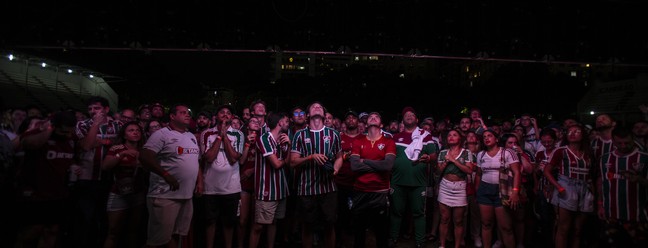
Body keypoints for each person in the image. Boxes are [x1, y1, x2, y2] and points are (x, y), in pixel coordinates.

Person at [139, 104, 200, 248]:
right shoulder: (161, 134)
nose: (187, 115)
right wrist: (166, 174)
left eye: (188, 112)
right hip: (165, 195)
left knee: (176, 235)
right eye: (183, 112)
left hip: (186, 195)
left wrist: (200, 182)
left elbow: (195, 161)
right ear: (172, 116)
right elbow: (145, 156)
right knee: (158, 240)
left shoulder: (190, 136)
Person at [14, 111, 77, 248]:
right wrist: (48, 129)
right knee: (31, 231)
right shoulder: (37, 133)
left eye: (70, 132)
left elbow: (69, 156)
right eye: (64, 132)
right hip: (35, 193)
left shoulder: (70, 139)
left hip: (58, 193)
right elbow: (30, 144)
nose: (68, 135)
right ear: (55, 126)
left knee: (52, 230)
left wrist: (74, 166)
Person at [290, 101, 342, 248]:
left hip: (328, 188)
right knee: (307, 227)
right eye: (313, 106)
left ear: (325, 115)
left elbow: (339, 156)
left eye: (320, 106)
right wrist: (310, 157)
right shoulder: (300, 135)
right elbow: (292, 162)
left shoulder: (333, 134)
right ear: (307, 116)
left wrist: (336, 169)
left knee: (329, 226)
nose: (317, 107)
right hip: (306, 189)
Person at [73, 96, 123, 248]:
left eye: (97, 108)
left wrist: (100, 141)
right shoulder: (83, 124)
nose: (93, 112)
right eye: (90, 109)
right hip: (87, 178)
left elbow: (121, 145)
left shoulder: (118, 125)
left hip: (112, 178)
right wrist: (96, 127)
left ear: (106, 109)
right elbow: (86, 145)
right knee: (86, 219)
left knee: (106, 219)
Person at [389, 107, 438, 248]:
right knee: (396, 211)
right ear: (402, 121)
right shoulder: (396, 137)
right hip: (397, 181)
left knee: (418, 213)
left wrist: (428, 157)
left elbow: (434, 156)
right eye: (406, 115)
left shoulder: (426, 136)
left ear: (417, 120)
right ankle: (393, 238)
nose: (409, 116)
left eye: (412, 115)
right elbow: (390, 157)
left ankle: (420, 241)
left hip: (418, 182)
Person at [197, 104, 244, 248]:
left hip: (231, 187)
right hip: (210, 187)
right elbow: (209, 158)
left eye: (228, 113)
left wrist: (225, 137)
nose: (225, 114)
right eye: (222, 112)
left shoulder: (238, 134)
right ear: (216, 116)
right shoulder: (206, 134)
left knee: (229, 223)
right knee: (210, 222)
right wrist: (219, 136)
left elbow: (234, 158)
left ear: (232, 117)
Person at [348, 111, 396, 248]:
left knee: (381, 232)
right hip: (360, 191)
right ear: (366, 123)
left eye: (376, 117)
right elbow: (355, 166)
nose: (373, 118)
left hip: (379, 192)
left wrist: (365, 161)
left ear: (381, 124)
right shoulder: (358, 141)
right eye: (370, 117)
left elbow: (387, 165)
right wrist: (377, 165)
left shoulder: (388, 141)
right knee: (359, 232)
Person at [543, 124, 594, 248]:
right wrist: (558, 187)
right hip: (567, 187)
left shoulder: (588, 152)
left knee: (577, 229)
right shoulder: (561, 151)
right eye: (569, 131)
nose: (572, 133)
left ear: (583, 134)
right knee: (563, 228)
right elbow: (547, 171)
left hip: (584, 188)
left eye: (576, 131)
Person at [596, 126, 648, 247]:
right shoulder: (604, 158)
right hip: (611, 214)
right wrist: (600, 204)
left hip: (638, 215)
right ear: (613, 141)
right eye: (619, 143)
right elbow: (600, 182)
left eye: (627, 143)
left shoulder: (644, 158)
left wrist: (640, 179)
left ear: (633, 139)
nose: (623, 146)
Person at [101, 121, 147, 248]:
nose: (135, 132)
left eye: (137, 130)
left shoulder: (144, 150)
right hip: (119, 193)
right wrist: (121, 155)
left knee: (133, 230)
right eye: (131, 130)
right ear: (124, 135)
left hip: (138, 193)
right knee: (113, 231)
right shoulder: (117, 148)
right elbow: (105, 166)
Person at [249, 112, 292, 248]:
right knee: (258, 226)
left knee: (273, 222)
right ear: (280, 123)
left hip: (280, 189)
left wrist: (289, 146)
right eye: (286, 121)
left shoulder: (283, 139)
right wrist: (285, 159)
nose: (288, 123)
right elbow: (276, 164)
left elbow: (289, 163)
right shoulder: (264, 139)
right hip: (266, 190)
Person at [475, 129, 521, 248]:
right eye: (484, 136)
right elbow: (479, 174)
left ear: (496, 139)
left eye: (490, 135)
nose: (486, 138)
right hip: (485, 190)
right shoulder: (481, 154)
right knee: (486, 224)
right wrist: (477, 191)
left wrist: (515, 192)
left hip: (502, 190)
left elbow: (517, 172)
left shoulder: (507, 152)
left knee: (506, 227)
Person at [436, 129, 475, 248]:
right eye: (449, 135)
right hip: (445, 186)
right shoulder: (443, 153)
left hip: (460, 188)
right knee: (444, 219)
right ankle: (442, 245)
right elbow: (438, 172)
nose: (451, 137)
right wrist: (445, 163)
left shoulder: (466, 153)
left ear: (460, 139)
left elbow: (469, 170)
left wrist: (453, 161)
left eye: (454, 135)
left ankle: (457, 246)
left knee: (458, 221)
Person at [334, 111, 365, 247]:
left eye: (354, 118)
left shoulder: (365, 138)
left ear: (358, 122)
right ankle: (340, 242)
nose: (351, 120)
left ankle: (358, 242)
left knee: (358, 215)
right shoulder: (339, 137)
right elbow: (334, 157)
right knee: (340, 214)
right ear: (344, 122)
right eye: (348, 118)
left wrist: (348, 156)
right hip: (341, 182)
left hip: (359, 183)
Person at [237, 116, 260, 248]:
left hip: (258, 183)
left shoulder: (263, 139)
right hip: (244, 183)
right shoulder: (242, 138)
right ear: (247, 126)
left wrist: (252, 170)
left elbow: (265, 161)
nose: (256, 122)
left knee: (255, 221)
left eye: (257, 122)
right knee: (242, 220)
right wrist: (247, 143)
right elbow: (241, 161)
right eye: (252, 121)